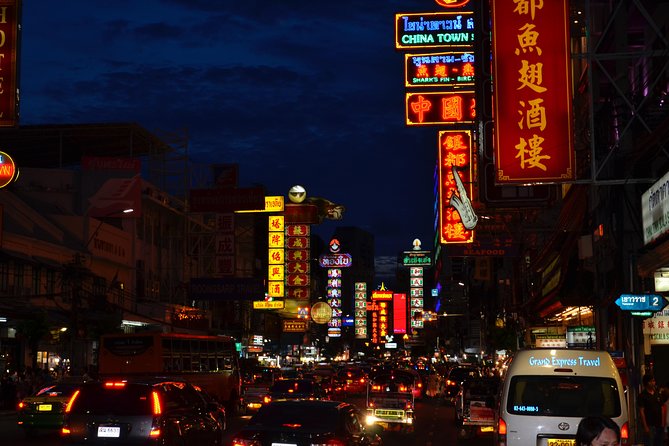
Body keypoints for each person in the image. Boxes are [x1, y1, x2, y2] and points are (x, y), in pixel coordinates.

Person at [638, 373, 664, 446]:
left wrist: (662, 423)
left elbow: (662, 408)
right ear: (647, 383)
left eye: (654, 381)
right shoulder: (642, 396)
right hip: (649, 426)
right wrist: (645, 426)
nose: (654, 383)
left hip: (659, 425)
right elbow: (641, 411)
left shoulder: (657, 394)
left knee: (659, 443)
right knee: (649, 443)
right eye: (652, 381)